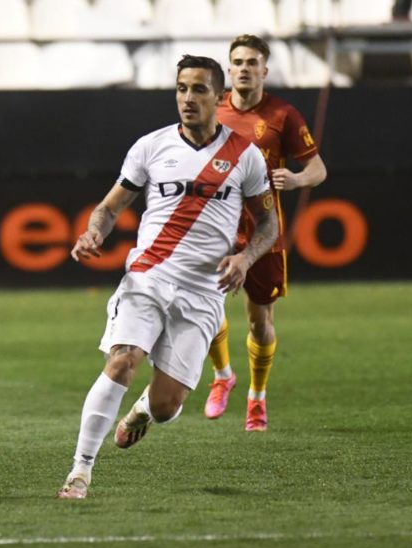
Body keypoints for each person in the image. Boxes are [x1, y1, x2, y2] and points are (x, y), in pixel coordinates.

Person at [57, 55, 278, 500]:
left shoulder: (245, 155)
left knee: (165, 406)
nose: (188, 98)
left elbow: (269, 224)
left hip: (204, 289)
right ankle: (80, 471)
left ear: (220, 97)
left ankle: (142, 410)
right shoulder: (150, 146)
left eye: (198, 90)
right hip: (148, 275)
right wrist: (93, 232)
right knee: (122, 360)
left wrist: (245, 259)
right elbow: (110, 207)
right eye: (181, 88)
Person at [202, 35, 327, 431]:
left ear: (264, 70)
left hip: (262, 233)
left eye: (251, 62)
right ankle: (222, 376)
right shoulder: (211, 107)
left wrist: (295, 177)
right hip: (214, 229)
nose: (243, 68)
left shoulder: (283, 115)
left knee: (260, 321)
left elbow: (318, 170)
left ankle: (257, 397)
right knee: (202, 311)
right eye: (237, 61)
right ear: (229, 67)